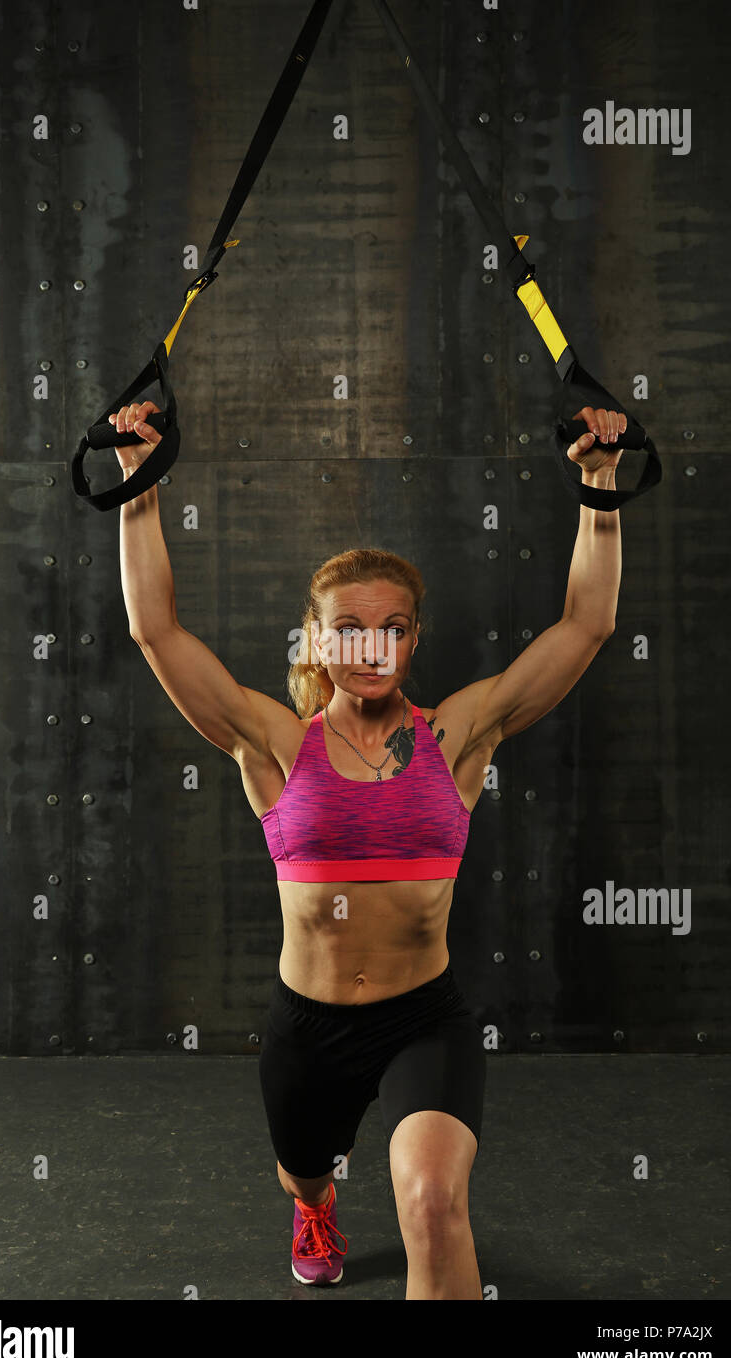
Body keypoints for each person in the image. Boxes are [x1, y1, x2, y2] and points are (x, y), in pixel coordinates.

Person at [113, 398, 625, 1300]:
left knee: (431, 1201)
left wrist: (599, 488)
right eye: (346, 627)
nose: (370, 646)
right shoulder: (273, 742)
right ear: (317, 639)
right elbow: (157, 632)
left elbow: (583, 627)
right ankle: (314, 1203)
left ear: (411, 638)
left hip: (420, 1021)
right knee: (301, 1173)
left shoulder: (459, 734)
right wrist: (136, 484)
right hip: (306, 1027)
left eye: (390, 628)